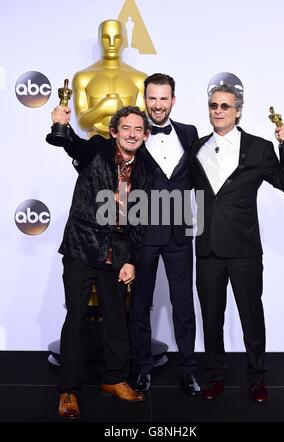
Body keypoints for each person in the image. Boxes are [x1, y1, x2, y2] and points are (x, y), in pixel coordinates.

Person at [190, 83, 284, 402]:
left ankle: (256, 378)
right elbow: (188, 196)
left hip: (244, 249)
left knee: (251, 315)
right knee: (211, 317)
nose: (218, 111)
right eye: (213, 106)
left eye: (225, 106)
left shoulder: (260, 147)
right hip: (206, 247)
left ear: (237, 111)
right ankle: (215, 375)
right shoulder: (196, 147)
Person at [47, 105, 151, 419]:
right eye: (126, 128)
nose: (132, 134)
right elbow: (72, 145)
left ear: (144, 136)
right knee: (76, 319)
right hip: (83, 248)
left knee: (118, 319)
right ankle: (69, 390)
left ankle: (114, 379)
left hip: (117, 253)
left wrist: (130, 259)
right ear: (114, 132)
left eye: (138, 129)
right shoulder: (96, 149)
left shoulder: (145, 170)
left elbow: (140, 219)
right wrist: (61, 127)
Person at [129, 73, 201, 396]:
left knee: (183, 304)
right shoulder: (133, 133)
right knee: (140, 304)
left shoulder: (189, 133)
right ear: (145, 100)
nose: (158, 105)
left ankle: (188, 370)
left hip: (181, 232)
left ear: (173, 100)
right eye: (152, 98)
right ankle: (142, 369)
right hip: (143, 231)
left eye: (163, 98)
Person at [72, 19, 147, 139]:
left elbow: (141, 124)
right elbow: (82, 123)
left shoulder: (139, 79)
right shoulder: (83, 77)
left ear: (124, 40)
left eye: (117, 37)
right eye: (106, 37)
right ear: (99, 40)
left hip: (130, 153)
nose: (111, 43)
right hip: (93, 153)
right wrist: (101, 109)